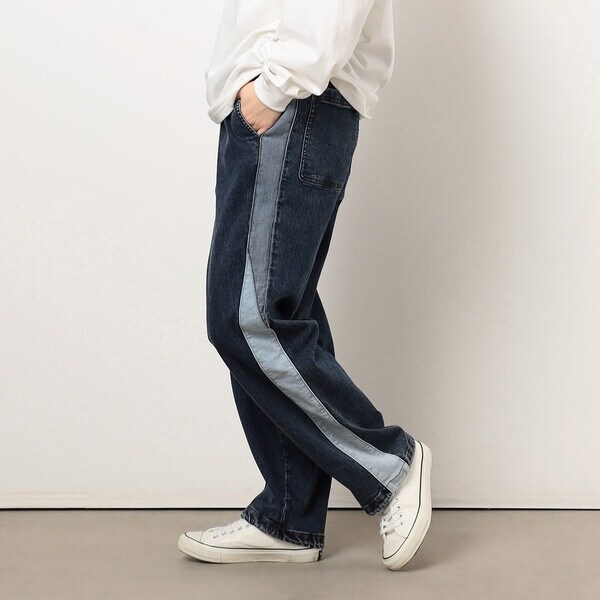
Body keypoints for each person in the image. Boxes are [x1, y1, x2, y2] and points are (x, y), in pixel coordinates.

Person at [178, 0, 432, 571]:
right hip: (286, 104)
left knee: (248, 319)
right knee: (278, 312)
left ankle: (391, 465)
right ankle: (289, 518)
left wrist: (274, 88)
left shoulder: (283, 90)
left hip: (292, 103)